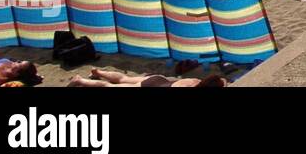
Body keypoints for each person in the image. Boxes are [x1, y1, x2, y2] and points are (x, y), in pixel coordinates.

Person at [68, 67, 225, 88]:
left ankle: (98, 72)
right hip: (149, 86)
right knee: (111, 87)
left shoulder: (194, 81)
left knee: (123, 78)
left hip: (158, 79)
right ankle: (80, 80)